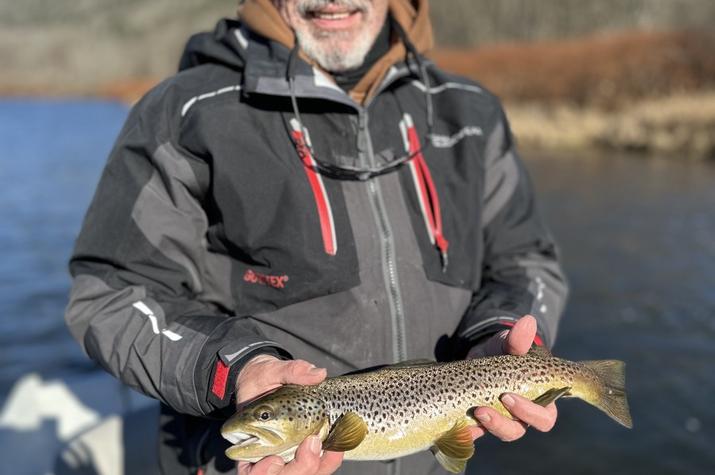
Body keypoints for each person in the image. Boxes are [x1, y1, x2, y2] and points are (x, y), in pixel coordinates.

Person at [65, 1, 568, 474]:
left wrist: (503, 338)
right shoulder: (187, 111)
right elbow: (111, 294)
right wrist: (235, 368)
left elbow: (525, 260)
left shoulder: (471, 112)